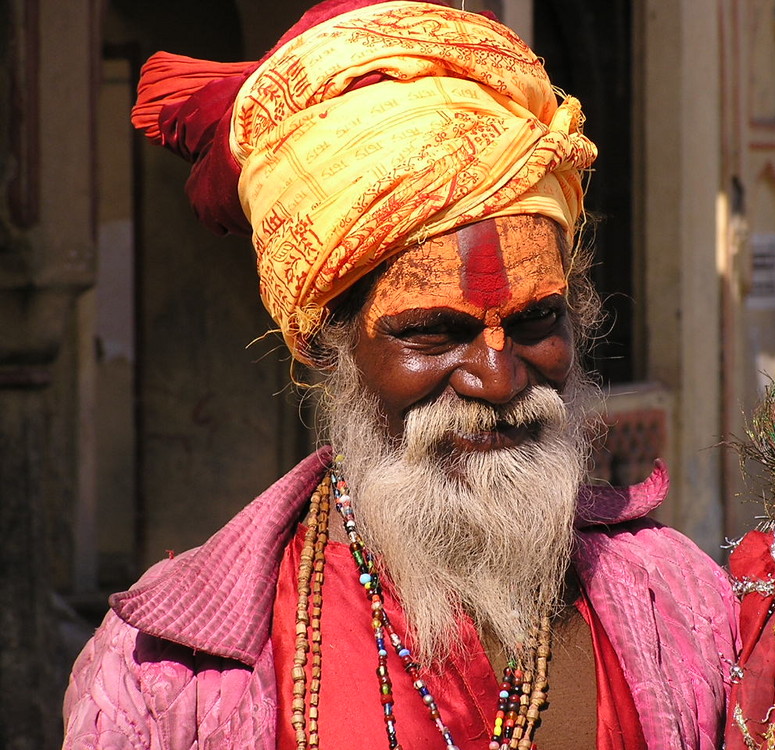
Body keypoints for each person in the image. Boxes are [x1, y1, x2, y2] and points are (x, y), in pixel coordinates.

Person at [62, 2, 739, 748]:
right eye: (433, 331)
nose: (498, 376)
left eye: (535, 321)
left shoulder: (679, 603)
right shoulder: (169, 674)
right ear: (325, 345)